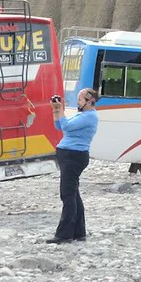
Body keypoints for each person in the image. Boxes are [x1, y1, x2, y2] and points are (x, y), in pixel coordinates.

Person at [47, 88, 99, 244]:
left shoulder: (90, 116)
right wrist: (56, 111)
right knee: (73, 194)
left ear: (89, 100)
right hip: (70, 155)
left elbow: (67, 126)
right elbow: (59, 126)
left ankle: (64, 235)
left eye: (80, 98)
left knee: (67, 194)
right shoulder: (82, 115)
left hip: (74, 157)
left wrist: (61, 110)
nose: (77, 101)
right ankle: (78, 232)